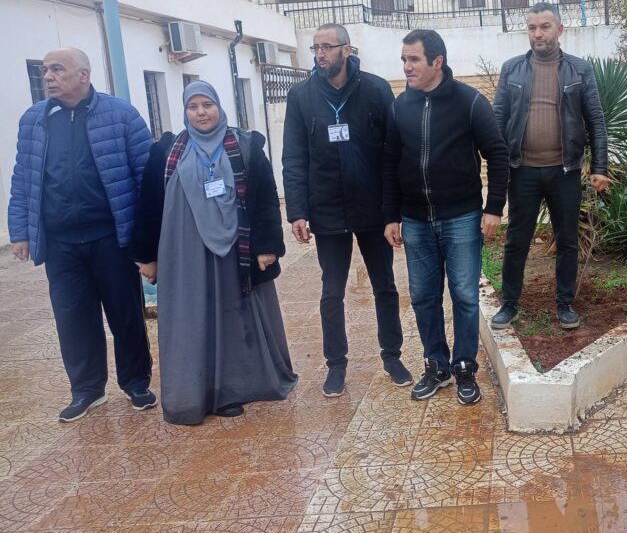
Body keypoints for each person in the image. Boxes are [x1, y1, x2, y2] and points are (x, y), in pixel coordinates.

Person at [131, 82, 296, 425]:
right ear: (184, 112)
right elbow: (149, 204)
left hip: (237, 250)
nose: (201, 112)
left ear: (219, 107)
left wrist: (267, 246)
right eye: (193, 107)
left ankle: (233, 388)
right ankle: (198, 391)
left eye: (207, 104)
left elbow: (265, 197)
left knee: (236, 315)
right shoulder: (167, 152)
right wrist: (147, 256)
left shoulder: (246, 146)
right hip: (184, 253)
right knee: (193, 318)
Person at [8, 48, 154, 423]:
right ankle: (87, 390)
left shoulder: (121, 115)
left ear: (83, 75)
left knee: (125, 314)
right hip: (61, 243)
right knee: (73, 319)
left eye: (57, 69)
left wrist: (147, 240)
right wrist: (20, 231)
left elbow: (147, 178)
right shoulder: (34, 120)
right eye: (45, 70)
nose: (48, 77)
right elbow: (23, 177)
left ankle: (136, 382)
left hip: (111, 238)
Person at [282, 23, 410, 397]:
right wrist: (297, 211)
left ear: (346, 50)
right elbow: (293, 157)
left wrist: (393, 211)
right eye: (315, 48)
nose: (320, 54)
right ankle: (336, 365)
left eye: (327, 47)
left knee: (385, 286)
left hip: (373, 208)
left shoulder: (375, 90)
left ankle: (392, 357)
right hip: (327, 210)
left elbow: (393, 152)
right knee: (331, 292)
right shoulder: (301, 96)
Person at [383, 29, 509, 405]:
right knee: (424, 296)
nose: (407, 67)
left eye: (414, 59)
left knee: (465, 296)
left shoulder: (469, 102)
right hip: (415, 219)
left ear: (437, 62)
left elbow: (497, 154)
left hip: (461, 217)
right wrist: (391, 215)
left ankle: (465, 367)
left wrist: (493, 207)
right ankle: (436, 366)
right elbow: (390, 163)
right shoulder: (399, 107)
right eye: (404, 59)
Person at [491, 2, 609, 331]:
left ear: (559, 29)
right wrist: (498, 168)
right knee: (516, 241)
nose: (538, 33)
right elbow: (498, 120)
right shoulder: (512, 69)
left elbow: (595, 119)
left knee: (567, 240)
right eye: (532, 27)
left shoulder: (579, 70)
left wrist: (600, 166)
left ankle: (565, 304)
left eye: (544, 26)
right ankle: (509, 304)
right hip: (522, 171)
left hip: (564, 171)